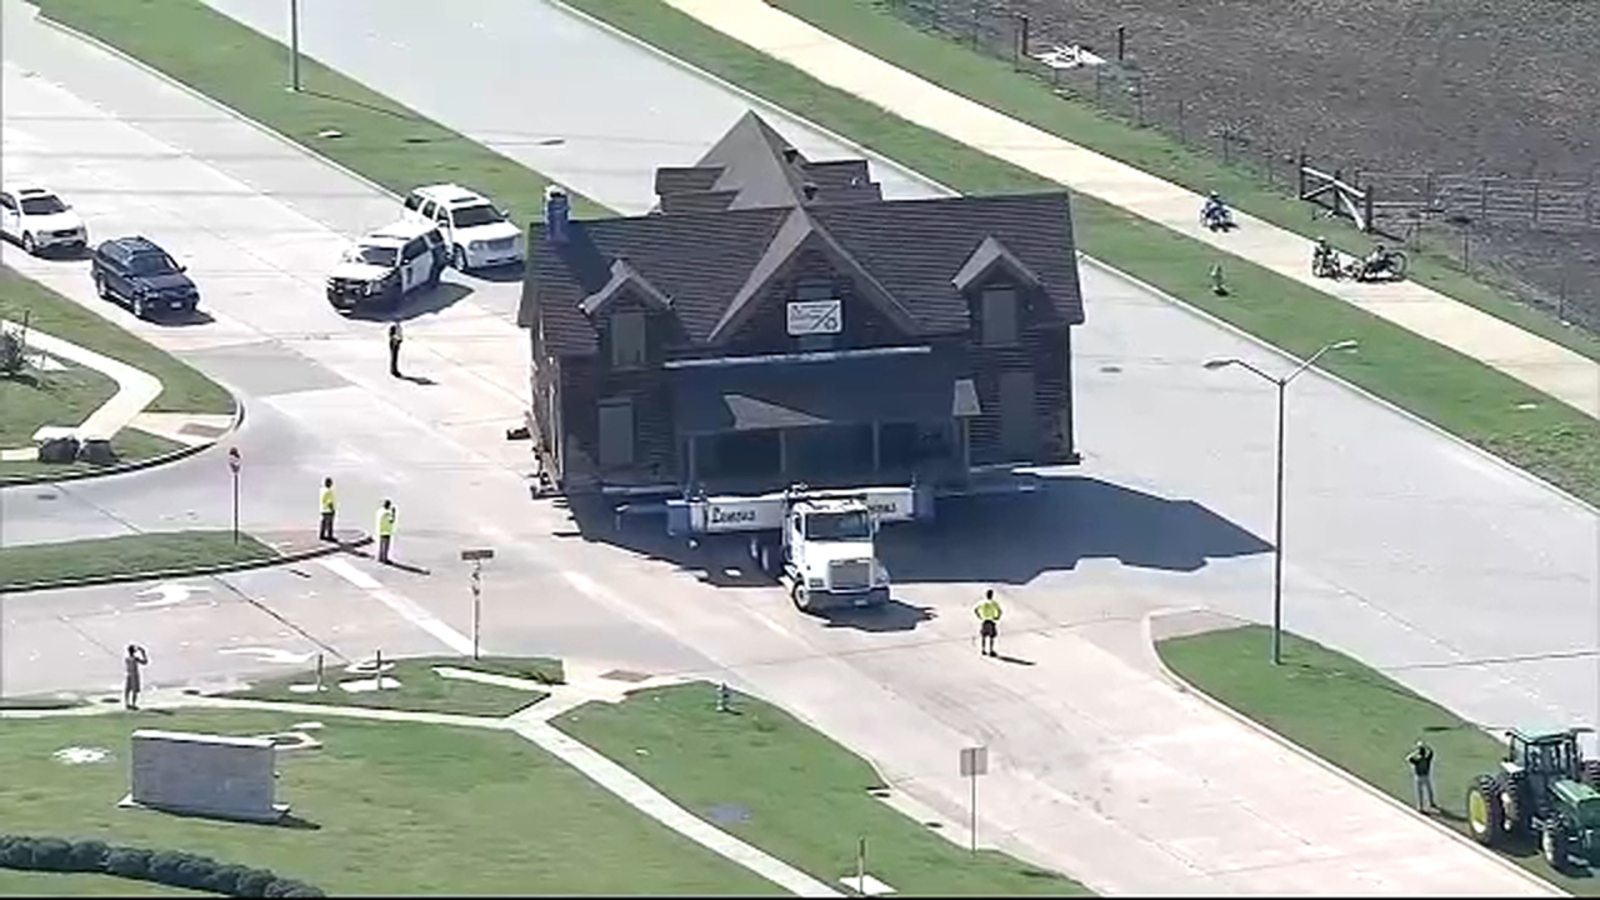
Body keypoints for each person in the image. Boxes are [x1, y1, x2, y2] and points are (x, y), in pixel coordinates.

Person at [1407, 738, 1438, 813]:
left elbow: (1408, 758)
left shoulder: (1417, 760)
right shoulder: (1427, 759)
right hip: (1426, 776)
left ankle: (1420, 807)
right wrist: (1426, 746)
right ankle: (1431, 803)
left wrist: (1415, 752)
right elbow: (1431, 752)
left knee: (1420, 792)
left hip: (1419, 777)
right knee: (1429, 791)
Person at [974, 590, 1003, 657]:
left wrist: (980, 616)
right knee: (991, 637)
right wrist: (997, 617)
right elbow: (999, 611)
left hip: (984, 621)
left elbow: (975, 610)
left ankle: (983, 650)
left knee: (984, 636)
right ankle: (991, 650)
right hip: (991, 621)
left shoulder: (983, 603)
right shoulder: (994, 603)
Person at [123, 644, 148, 710]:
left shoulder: (127, 659)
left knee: (128, 690)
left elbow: (144, 662)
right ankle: (132, 704)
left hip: (129, 674)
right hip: (133, 675)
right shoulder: (134, 659)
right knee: (132, 690)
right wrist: (143, 653)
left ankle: (127, 703)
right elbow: (145, 662)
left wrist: (142, 652)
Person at [376, 499, 397, 564]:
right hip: (386, 531)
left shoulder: (380, 511)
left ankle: (380, 557)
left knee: (381, 545)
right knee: (386, 546)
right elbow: (391, 520)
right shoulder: (387, 513)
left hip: (380, 530)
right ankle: (384, 559)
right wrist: (394, 513)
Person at [318, 476, 337, 542]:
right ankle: (330, 536)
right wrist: (332, 509)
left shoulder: (322, 490)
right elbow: (329, 501)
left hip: (323, 509)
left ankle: (321, 535)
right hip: (328, 510)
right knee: (329, 524)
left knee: (323, 523)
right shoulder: (329, 491)